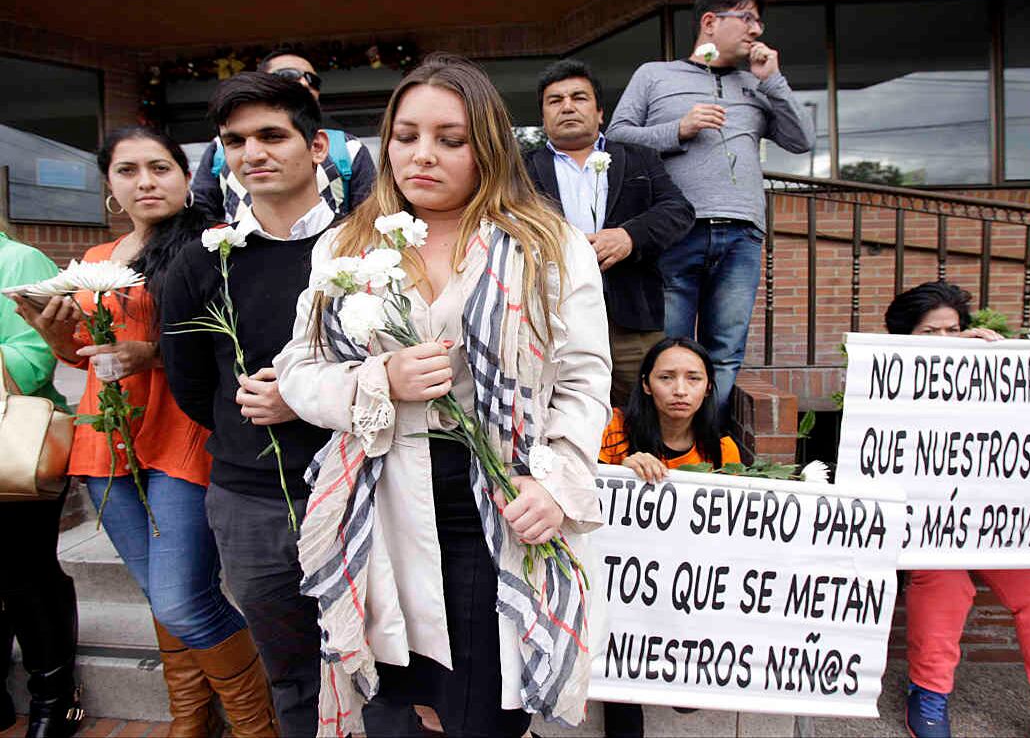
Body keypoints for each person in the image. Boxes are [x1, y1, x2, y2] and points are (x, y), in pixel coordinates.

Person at [273, 53, 610, 737]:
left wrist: (560, 481)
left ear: (486, 144)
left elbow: (582, 378)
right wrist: (379, 381)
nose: (422, 155)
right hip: (382, 509)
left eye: (450, 139)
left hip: (499, 510)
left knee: (484, 715)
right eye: (406, 136)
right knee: (399, 706)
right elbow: (298, 368)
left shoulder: (549, 244)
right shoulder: (347, 242)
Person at [12, 127, 278, 736]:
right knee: (162, 597)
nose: (145, 181)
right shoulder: (96, 263)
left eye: (159, 168)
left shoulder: (213, 248)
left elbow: (232, 346)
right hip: (106, 438)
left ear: (186, 180)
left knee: (183, 596)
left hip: (182, 433)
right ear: (110, 186)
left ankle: (256, 723)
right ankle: (189, 715)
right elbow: (82, 356)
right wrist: (54, 332)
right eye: (128, 171)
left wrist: (150, 354)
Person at [159, 74, 336, 736]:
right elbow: (193, 389)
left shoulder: (368, 251)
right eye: (234, 141)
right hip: (252, 502)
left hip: (362, 488)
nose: (251, 152)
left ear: (316, 145)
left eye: (271, 134)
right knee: (290, 677)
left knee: (382, 670)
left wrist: (308, 402)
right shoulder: (202, 263)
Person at [886, 281, 1030, 738]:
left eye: (954, 330)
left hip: (996, 524)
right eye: (931, 333)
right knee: (944, 584)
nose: (946, 342)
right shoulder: (885, 378)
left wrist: (1006, 361)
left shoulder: (989, 372)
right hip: (928, 526)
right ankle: (927, 693)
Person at [607, 0, 814, 422]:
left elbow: (802, 141)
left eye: (759, 21)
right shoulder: (655, 75)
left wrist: (773, 81)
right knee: (668, 353)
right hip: (676, 232)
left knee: (724, 350)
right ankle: (661, 449)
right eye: (747, 18)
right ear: (709, 22)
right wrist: (677, 129)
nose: (756, 30)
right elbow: (617, 137)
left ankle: (701, 446)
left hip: (742, 233)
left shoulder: (759, 86)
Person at [524, 59, 695, 406]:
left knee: (643, 412)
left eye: (579, 97)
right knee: (560, 411)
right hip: (552, 319)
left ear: (601, 112)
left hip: (631, 316)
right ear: (543, 117)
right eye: (555, 100)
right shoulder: (520, 169)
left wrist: (629, 236)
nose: (568, 106)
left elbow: (678, 211)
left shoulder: (639, 159)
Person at [596, 336, 739, 738]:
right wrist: (621, 468)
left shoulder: (723, 452)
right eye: (666, 377)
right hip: (620, 581)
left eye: (693, 378)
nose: (680, 390)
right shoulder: (614, 430)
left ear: (709, 385)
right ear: (645, 384)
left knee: (687, 696)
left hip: (685, 582)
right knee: (620, 669)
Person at [0, 225, 78, 737]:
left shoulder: (21, 260)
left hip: (14, 446)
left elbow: (32, 362)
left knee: (24, 573)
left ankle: (53, 700)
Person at [189, 46, 376, 224]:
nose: (303, 82)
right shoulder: (217, 149)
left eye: (312, 79)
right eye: (289, 75)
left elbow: (369, 216)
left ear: (318, 146)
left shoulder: (349, 147)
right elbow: (201, 213)